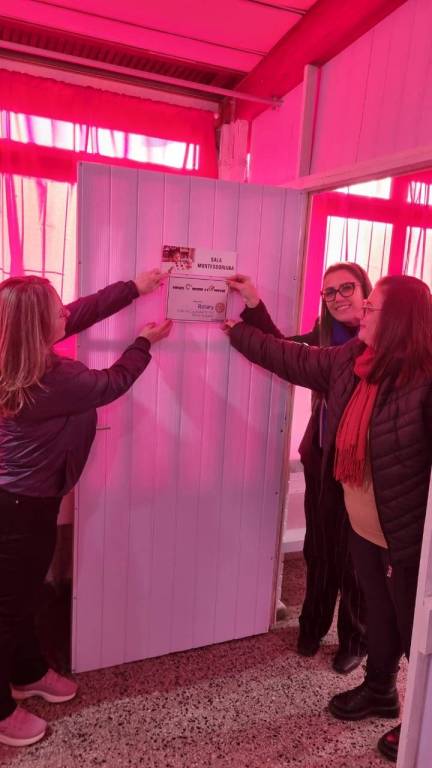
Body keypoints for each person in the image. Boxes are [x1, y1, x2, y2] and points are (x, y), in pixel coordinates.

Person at [226, 274, 432, 763]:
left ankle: (423, 727)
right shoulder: (350, 360)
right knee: (380, 615)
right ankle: (380, 690)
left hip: (407, 535)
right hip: (364, 526)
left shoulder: (424, 379)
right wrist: (236, 331)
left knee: (416, 633)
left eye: (372, 307)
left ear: (398, 319)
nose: (362, 313)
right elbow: (289, 356)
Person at [0, 269, 172, 747]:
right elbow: (112, 383)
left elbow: (81, 312)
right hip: (19, 507)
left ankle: (27, 672)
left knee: (22, 595)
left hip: (22, 500)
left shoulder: (15, 349)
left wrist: (134, 289)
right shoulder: (52, 376)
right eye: (55, 309)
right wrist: (143, 342)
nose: (66, 312)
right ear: (37, 325)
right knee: (8, 607)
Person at [228, 262, 371, 674]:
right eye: (329, 292)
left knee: (358, 560)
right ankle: (312, 627)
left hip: (363, 471)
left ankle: (355, 639)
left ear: (366, 292)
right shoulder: (324, 336)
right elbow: (282, 351)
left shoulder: (381, 342)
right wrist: (253, 304)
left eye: (347, 288)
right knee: (320, 550)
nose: (338, 297)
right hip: (322, 459)